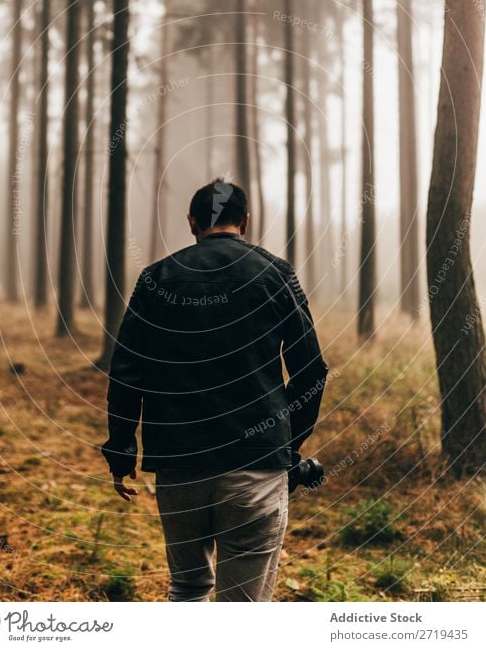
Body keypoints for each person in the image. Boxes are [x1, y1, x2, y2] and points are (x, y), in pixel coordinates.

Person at [101, 178, 328, 602]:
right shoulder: (275, 274)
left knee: (187, 590)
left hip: (179, 463)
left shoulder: (157, 278)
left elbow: (126, 372)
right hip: (256, 465)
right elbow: (311, 370)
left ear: (192, 221)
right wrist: (288, 446)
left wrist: (120, 450)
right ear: (245, 220)